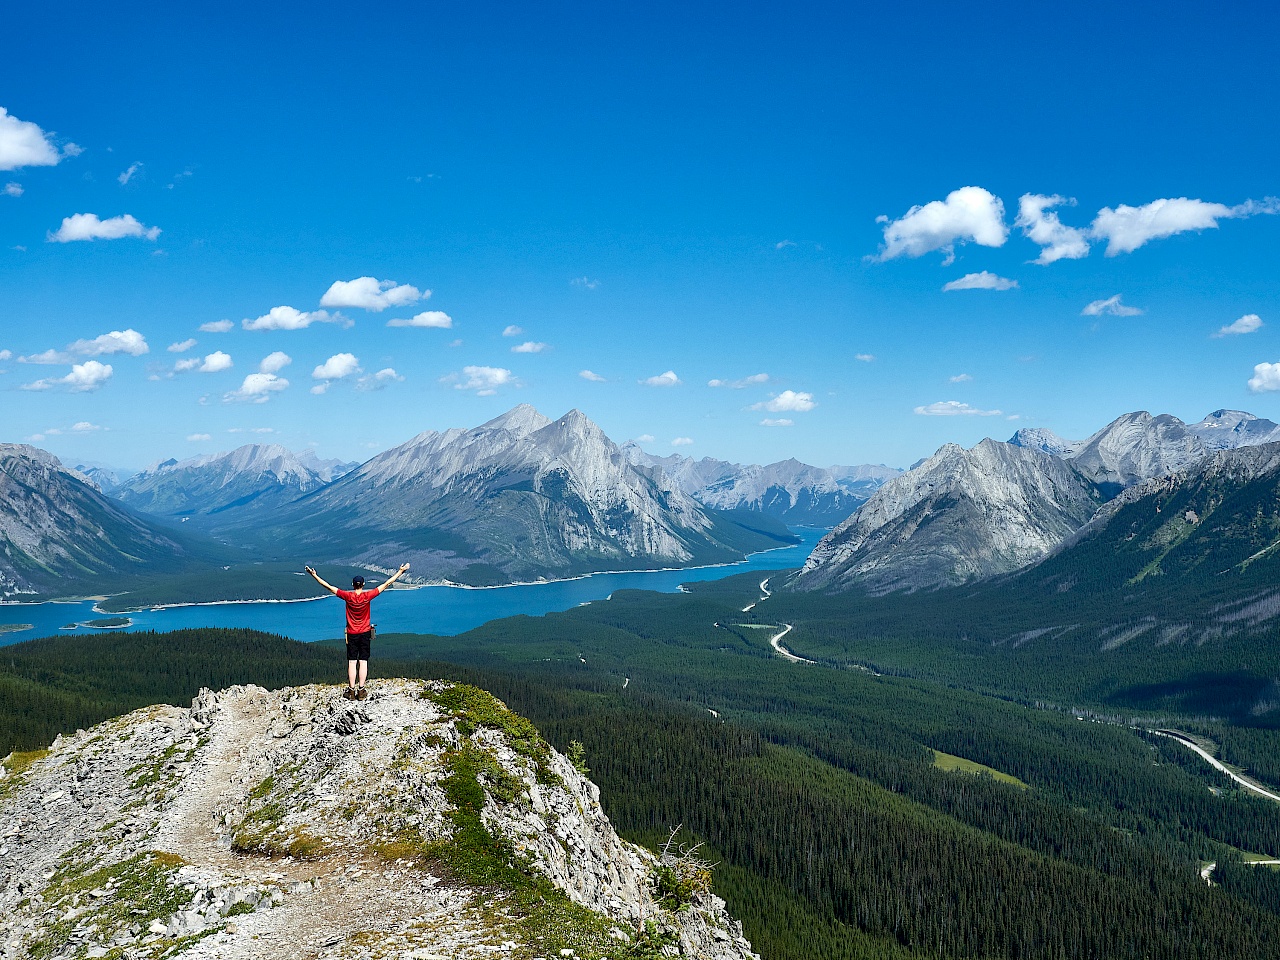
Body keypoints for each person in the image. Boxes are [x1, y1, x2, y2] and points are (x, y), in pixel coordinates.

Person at [305, 563, 410, 700]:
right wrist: (400, 571)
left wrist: (314, 575)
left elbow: (328, 586)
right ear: (363, 584)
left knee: (352, 662)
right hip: (365, 632)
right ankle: (361, 690)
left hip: (352, 633)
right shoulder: (368, 596)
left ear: (353, 585)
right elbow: (387, 583)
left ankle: (351, 690)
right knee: (364, 661)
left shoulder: (348, 596)